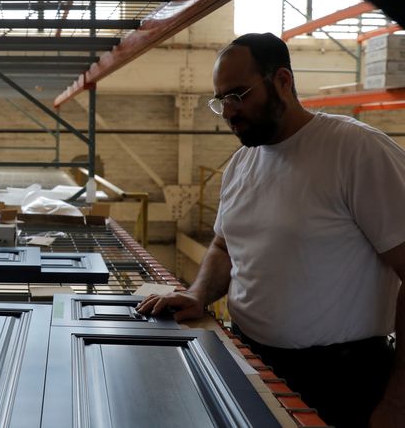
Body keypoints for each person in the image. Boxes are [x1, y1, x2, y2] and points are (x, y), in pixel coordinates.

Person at [138, 33, 405, 428]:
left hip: (342, 380)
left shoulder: (356, 150)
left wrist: (397, 404)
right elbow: (223, 246)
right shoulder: (241, 164)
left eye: (238, 95)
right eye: (220, 100)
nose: (228, 111)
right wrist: (197, 294)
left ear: (282, 81)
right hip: (252, 360)